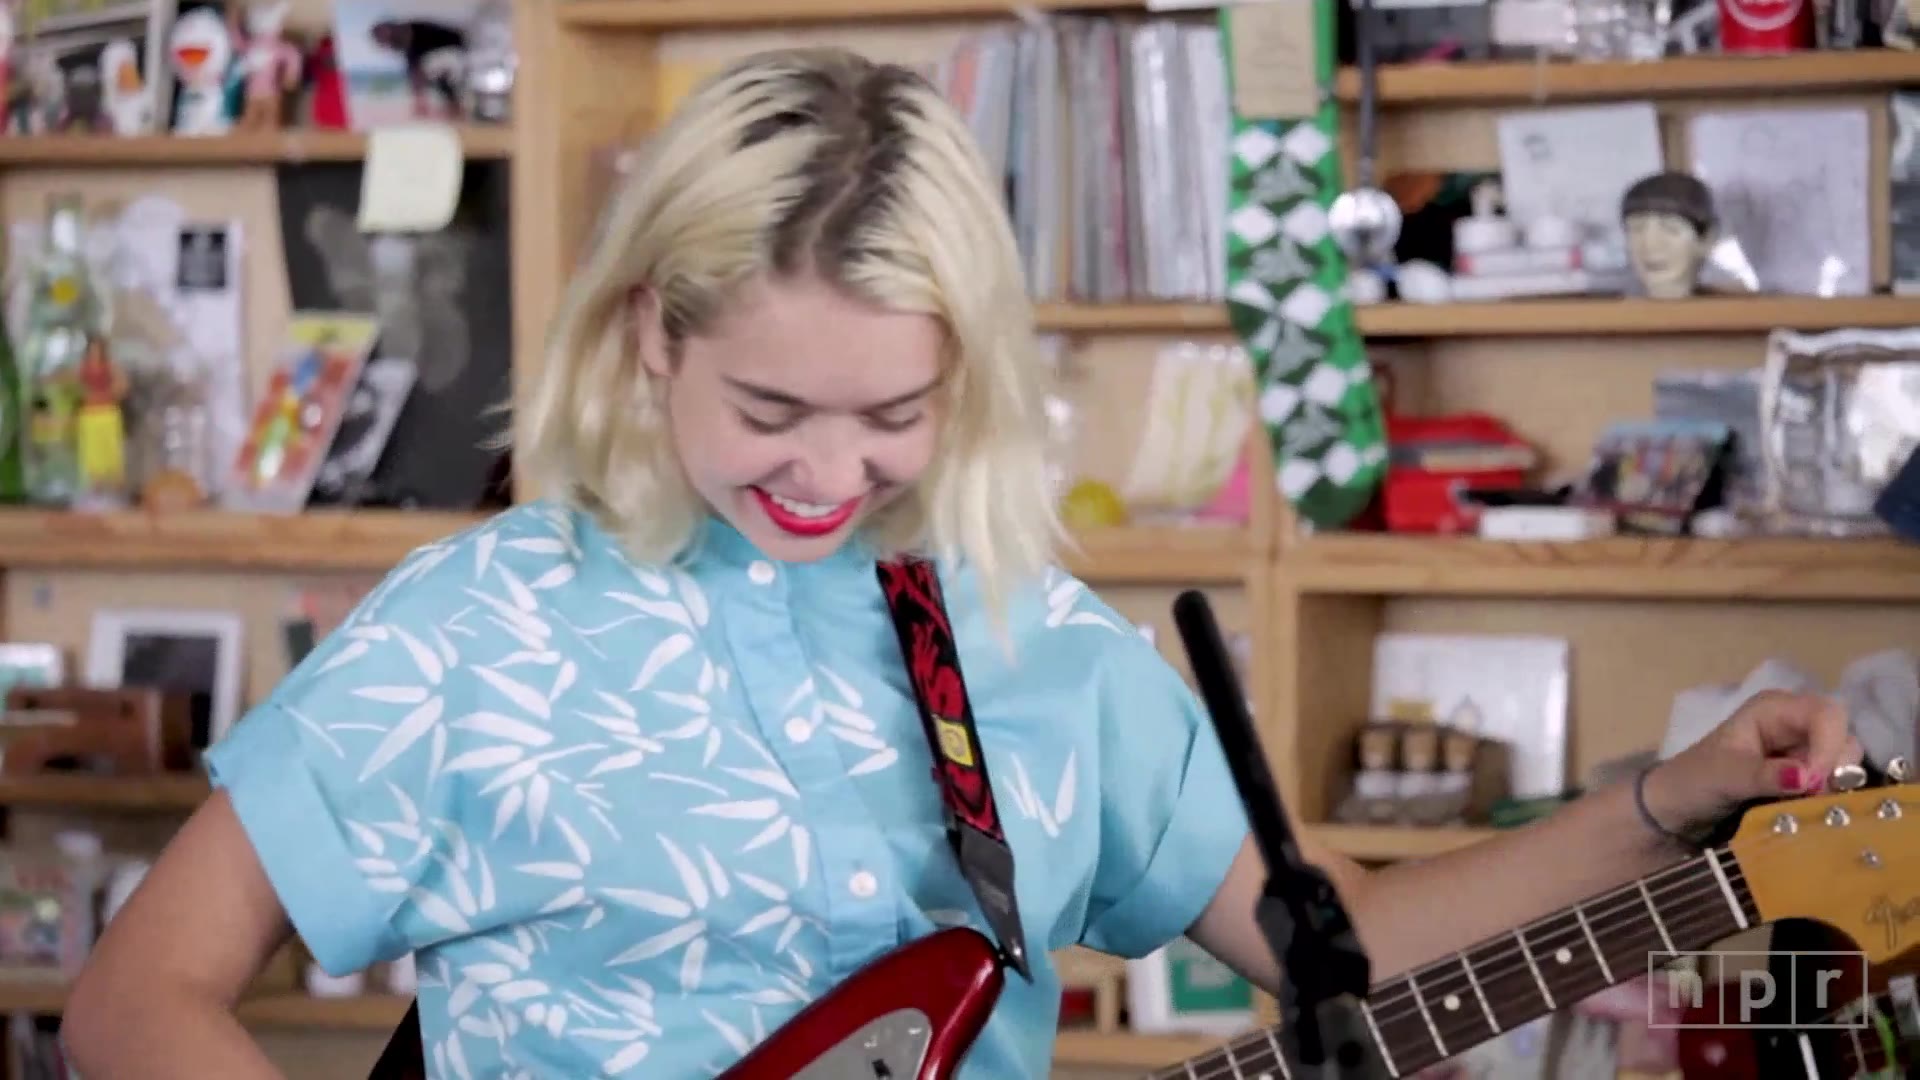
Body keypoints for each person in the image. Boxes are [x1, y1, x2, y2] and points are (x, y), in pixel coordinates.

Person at [63, 46, 1857, 1079]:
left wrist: (1676, 800)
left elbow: (1351, 950)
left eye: (895, 412)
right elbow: (138, 994)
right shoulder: (477, 626)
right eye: (773, 405)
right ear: (646, 340)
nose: (831, 472)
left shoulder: (1033, 649)